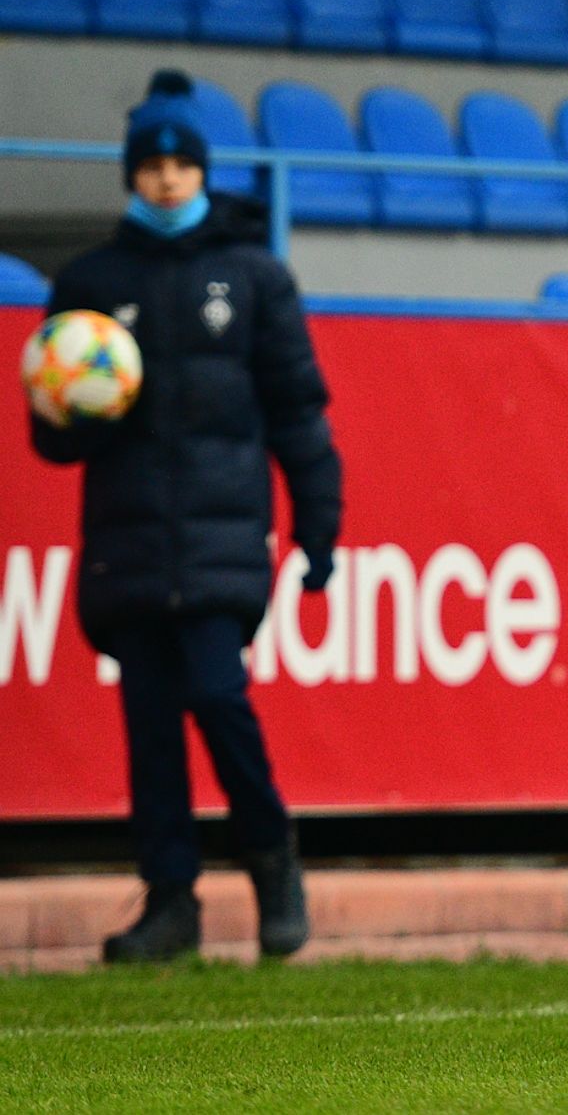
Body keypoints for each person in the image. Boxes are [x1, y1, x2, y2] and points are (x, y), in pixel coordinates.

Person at [28, 70, 343, 963]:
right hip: (126, 550)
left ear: (203, 171)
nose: (166, 178)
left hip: (220, 543)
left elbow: (299, 415)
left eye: (181, 162)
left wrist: (319, 528)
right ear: (131, 174)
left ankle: (272, 856)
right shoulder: (90, 282)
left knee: (216, 691)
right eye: (151, 164)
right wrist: (59, 411)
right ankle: (171, 904)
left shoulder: (253, 279)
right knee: (149, 726)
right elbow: (56, 447)